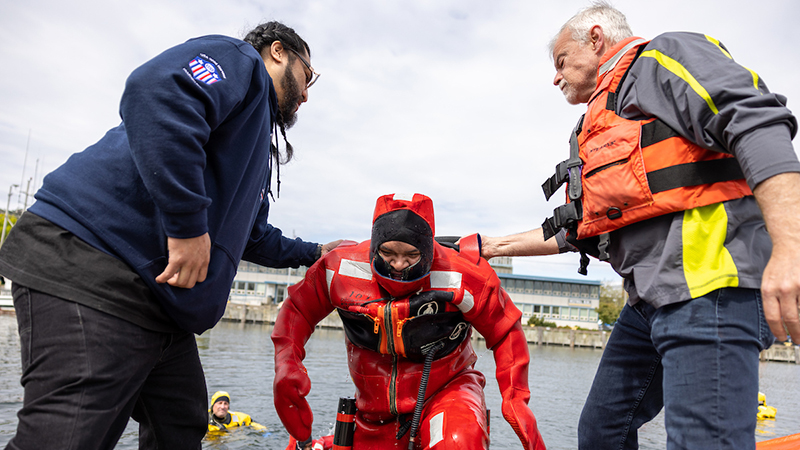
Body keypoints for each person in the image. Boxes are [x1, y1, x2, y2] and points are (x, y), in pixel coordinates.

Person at [0, 21, 340, 450]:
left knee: (180, 424)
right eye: (308, 76)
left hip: (161, 305)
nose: (308, 93)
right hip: (92, 263)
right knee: (67, 438)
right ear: (277, 52)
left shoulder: (252, 146)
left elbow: (252, 236)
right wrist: (186, 226)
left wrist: (315, 252)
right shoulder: (240, 61)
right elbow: (158, 91)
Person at [480, 2, 799, 449]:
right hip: (648, 303)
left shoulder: (664, 57)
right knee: (601, 432)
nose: (555, 77)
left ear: (595, 38)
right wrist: (490, 246)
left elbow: (757, 122)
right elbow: (578, 229)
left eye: (561, 61)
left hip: (709, 286)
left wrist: (790, 250)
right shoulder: (601, 118)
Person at [272, 193, 546, 450]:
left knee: (457, 440)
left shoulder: (465, 274)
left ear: (427, 251)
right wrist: (287, 364)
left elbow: (505, 329)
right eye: (388, 254)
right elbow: (297, 310)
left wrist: (515, 398)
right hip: (372, 411)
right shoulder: (338, 269)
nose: (399, 264)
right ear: (374, 246)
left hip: (447, 394)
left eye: (411, 256)